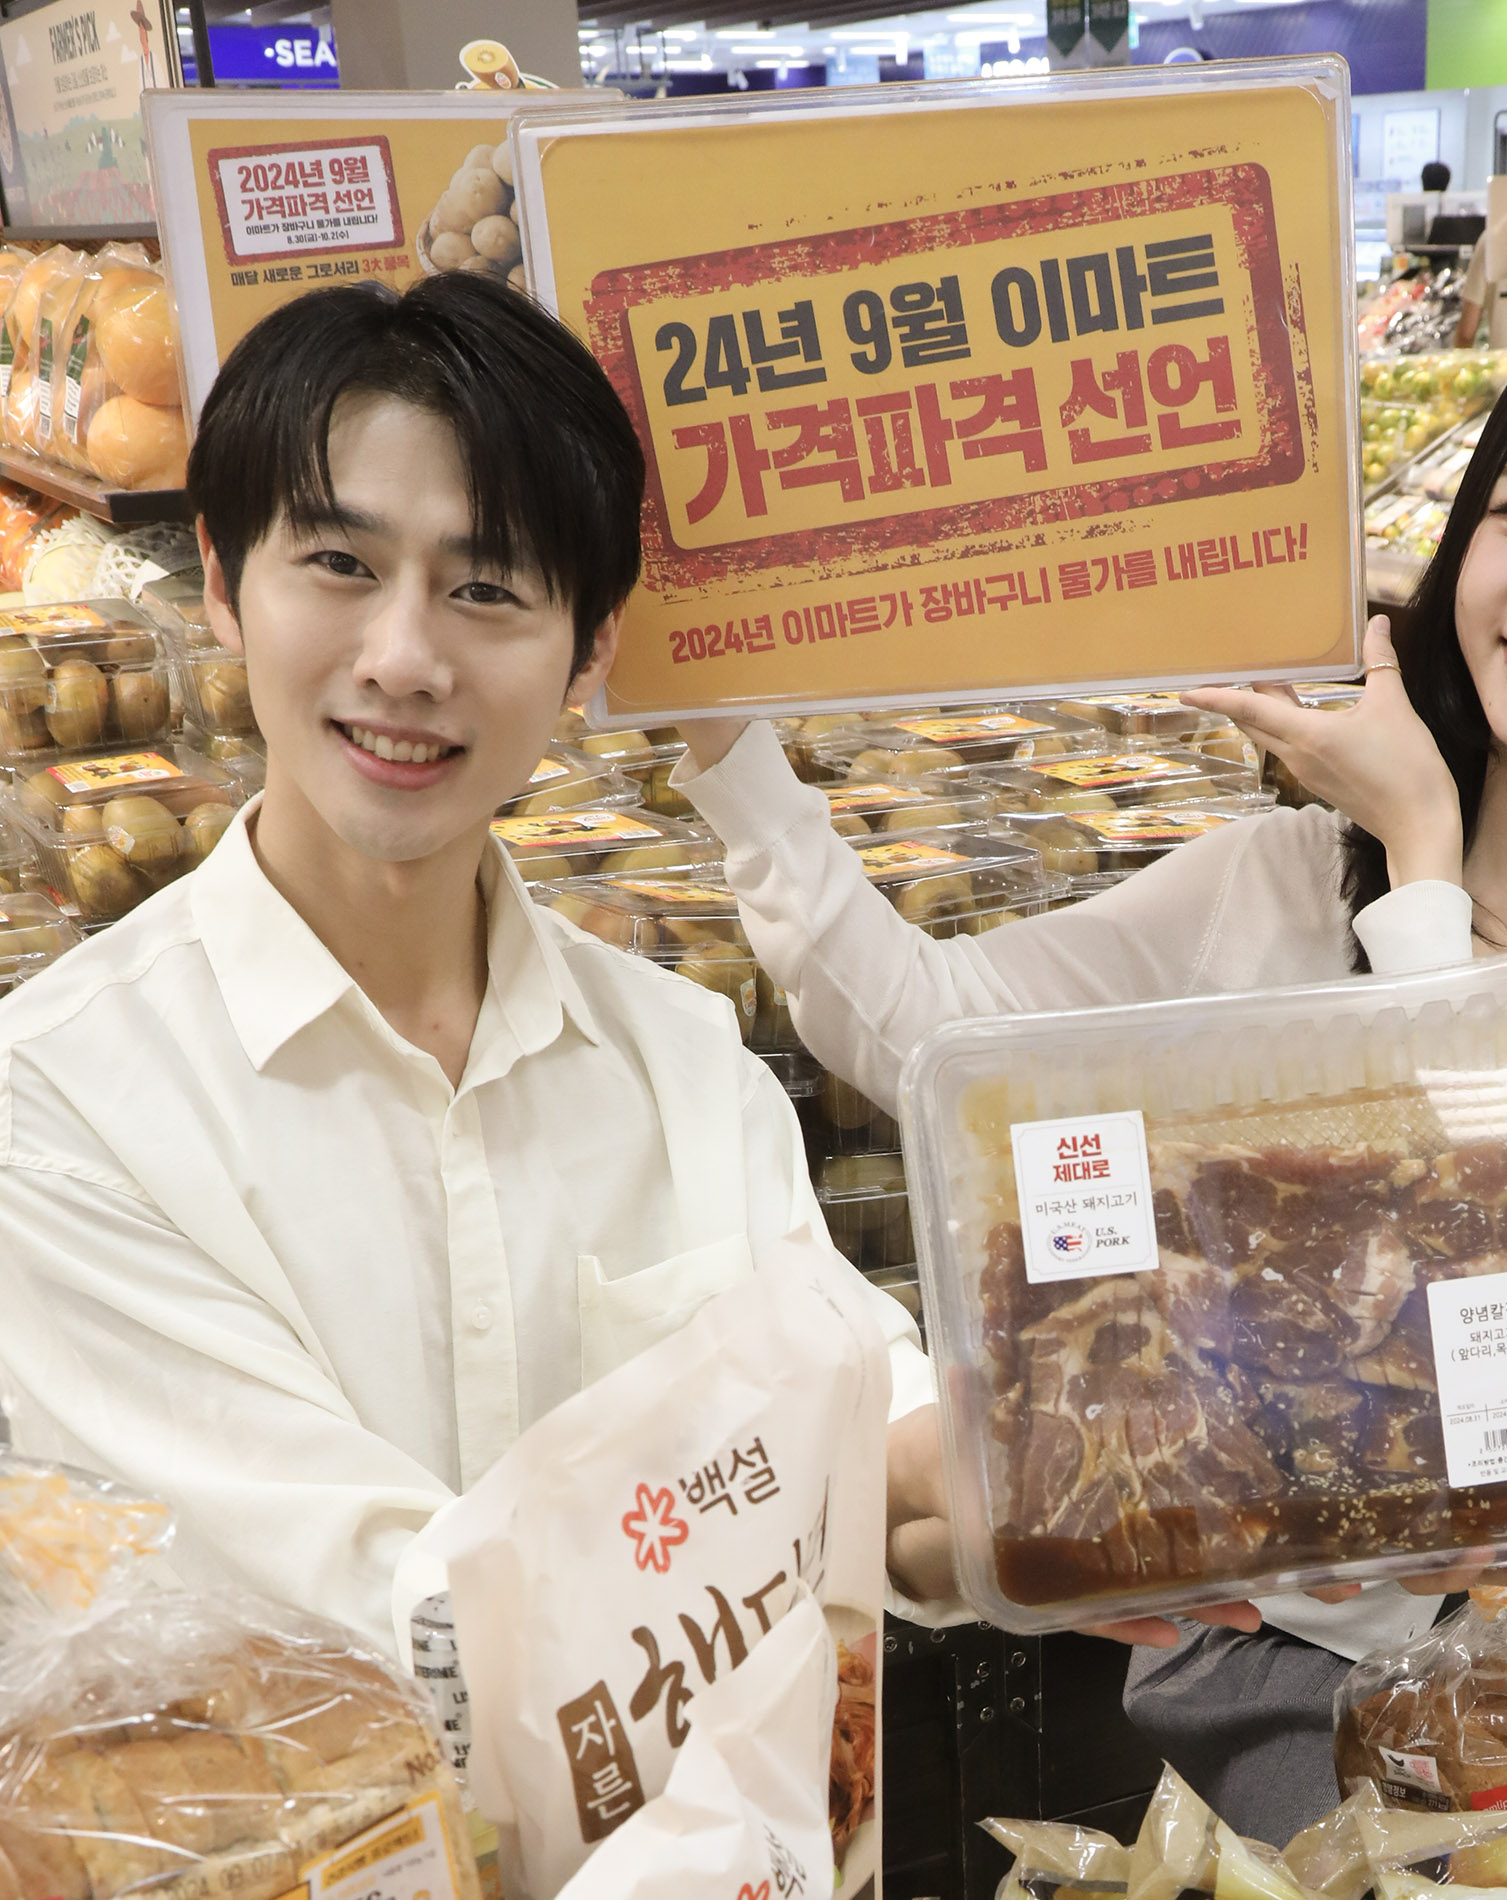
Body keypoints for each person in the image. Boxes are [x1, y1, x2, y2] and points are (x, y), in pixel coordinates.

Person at [663, 291, 1507, 1835]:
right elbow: (926, 1033)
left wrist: (1425, 853)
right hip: (1281, 1640)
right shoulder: (1288, 877)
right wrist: (728, 752)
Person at [0, 275, 946, 1657]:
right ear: (221, 580)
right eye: (341, 565)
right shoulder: (61, 1112)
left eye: (486, 588)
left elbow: (852, 1400)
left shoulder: (685, 1066)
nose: (404, 660)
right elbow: (377, 1614)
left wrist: (984, 1485)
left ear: (590, 649)